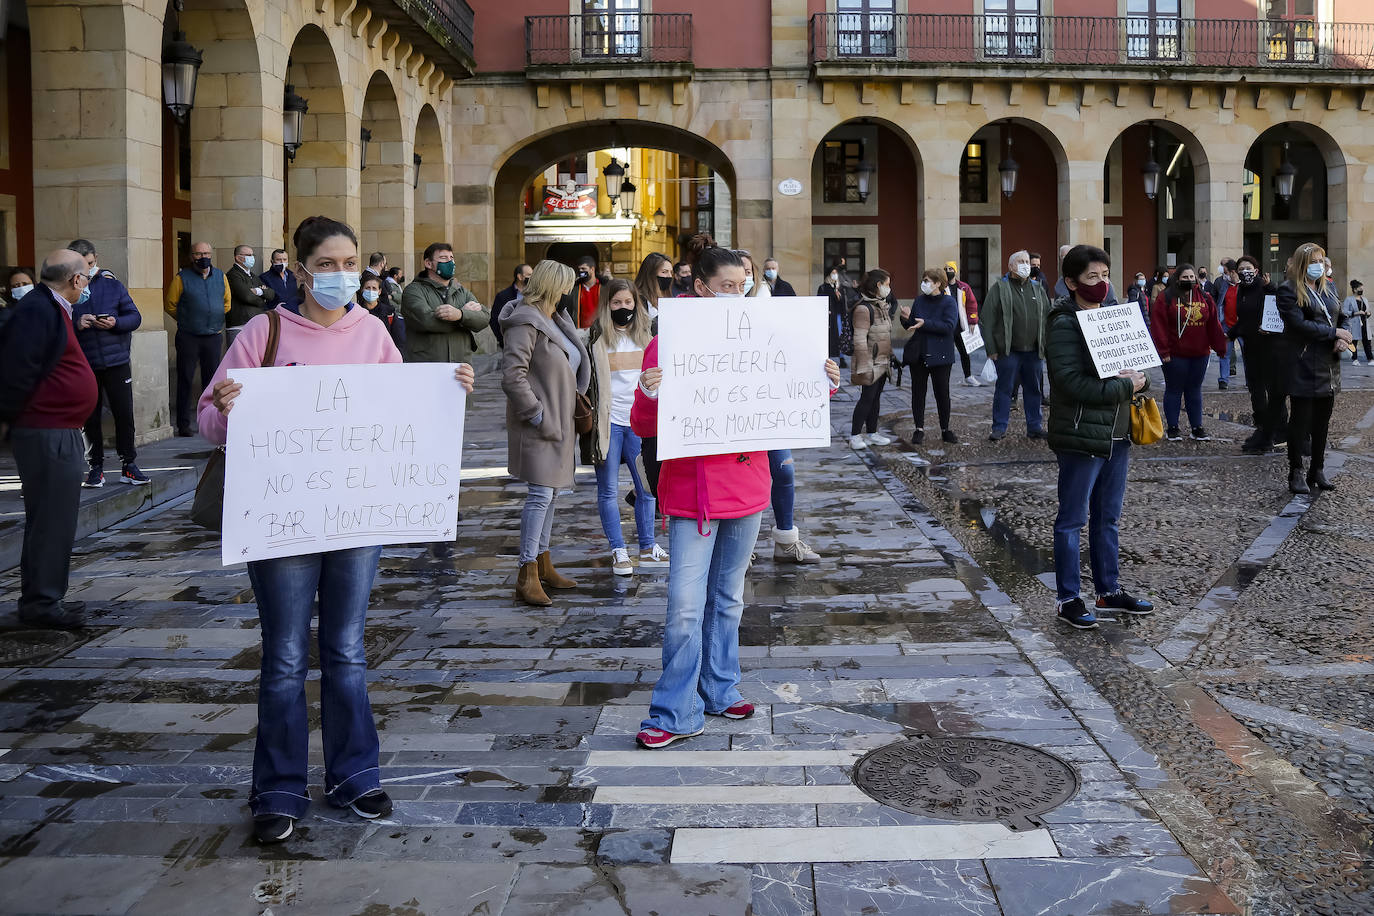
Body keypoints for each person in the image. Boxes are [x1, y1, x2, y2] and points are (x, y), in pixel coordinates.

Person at [201, 215, 475, 845]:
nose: (341, 274)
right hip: (282, 521)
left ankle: (355, 774)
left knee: (348, 651)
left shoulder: (374, 332)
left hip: (356, 518)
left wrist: (449, 389)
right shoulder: (262, 331)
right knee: (286, 657)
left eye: (349, 261)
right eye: (326, 264)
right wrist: (224, 409)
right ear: (300, 270)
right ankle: (278, 789)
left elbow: (406, 414)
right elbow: (212, 426)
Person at [630, 233, 840, 749]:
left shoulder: (762, 332)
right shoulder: (668, 339)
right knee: (683, 605)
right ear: (700, 288)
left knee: (726, 599)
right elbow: (643, 425)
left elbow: (787, 391)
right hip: (692, 496)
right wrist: (649, 391)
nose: (737, 294)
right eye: (727, 286)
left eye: (742, 286)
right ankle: (674, 710)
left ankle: (720, 688)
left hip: (747, 489)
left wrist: (822, 381)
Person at [1045, 245, 1154, 630]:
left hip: (1117, 433)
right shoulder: (1063, 323)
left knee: (1108, 518)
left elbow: (1141, 368)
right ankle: (1068, 598)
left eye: (1106, 275)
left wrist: (1140, 381)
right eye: (1093, 277)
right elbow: (1069, 382)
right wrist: (1125, 387)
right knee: (1072, 519)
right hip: (1080, 434)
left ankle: (1108, 591)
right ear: (1071, 282)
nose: (1102, 283)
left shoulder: (1115, 316)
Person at [0, 250, 98, 630]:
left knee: (52, 518)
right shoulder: (39, 310)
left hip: (55, 428)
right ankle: (42, 603)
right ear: (75, 280)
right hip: (46, 429)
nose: (87, 284)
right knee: (52, 520)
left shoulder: (51, 306)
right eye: (86, 278)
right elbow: (16, 369)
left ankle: (42, 598)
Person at [501, 260, 591, 607]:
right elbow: (513, 376)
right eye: (567, 284)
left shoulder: (555, 317)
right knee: (540, 495)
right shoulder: (526, 321)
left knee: (551, 495)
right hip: (542, 423)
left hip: (560, 419)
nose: (571, 290)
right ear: (555, 285)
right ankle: (526, 572)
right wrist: (538, 415)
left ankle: (543, 563)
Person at [584, 279, 667, 576]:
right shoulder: (594, 338)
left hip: (638, 423)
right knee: (607, 489)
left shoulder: (649, 336)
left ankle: (647, 547)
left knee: (647, 488)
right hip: (608, 423)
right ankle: (618, 550)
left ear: (636, 304)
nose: (623, 308)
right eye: (616, 303)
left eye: (628, 303)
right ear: (607, 305)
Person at [66, 239, 147, 488]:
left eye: (89, 264)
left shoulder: (113, 285)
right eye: (81, 265)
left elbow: (134, 316)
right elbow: (56, 323)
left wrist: (115, 323)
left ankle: (129, 465)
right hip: (85, 362)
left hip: (116, 360)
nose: (86, 269)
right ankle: (95, 468)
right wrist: (77, 322)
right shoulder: (67, 288)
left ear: (96, 258)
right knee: (89, 416)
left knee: (124, 413)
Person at [1278, 243, 1350, 495]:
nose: (1319, 265)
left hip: (1329, 364)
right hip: (1303, 363)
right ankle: (1295, 470)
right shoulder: (1288, 290)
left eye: (1321, 260)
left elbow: (1342, 316)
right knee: (1300, 421)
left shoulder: (1328, 287)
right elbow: (1299, 325)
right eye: (1313, 261)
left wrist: (1343, 336)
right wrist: (1334, 332)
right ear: (1302, 264)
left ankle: (1317, 469)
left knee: (1322, 422)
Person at [1149, 264, 1226, 441]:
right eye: (1185, 277)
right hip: (1174, 354)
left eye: (1192, 277)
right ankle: (1173, 428)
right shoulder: (1166, 297)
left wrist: (1220, 347)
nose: (1190, 280)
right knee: (1174, 389)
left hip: (1200, 354)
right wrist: (1163, 351)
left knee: (1194, 390)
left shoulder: (1205, 297)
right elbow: (1158, 326)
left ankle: (1197, 427)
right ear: (1177, 279)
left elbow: (1213, 324)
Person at [984, 249, 1051, 441]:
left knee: (1034, 390)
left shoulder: (1037, 288)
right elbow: (987, 319)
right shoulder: (1000, 288)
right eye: (1021, 261)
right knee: (1004, 389)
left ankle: (1034, 426)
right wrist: (991, 349)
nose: (1026, 265)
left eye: (1027, 262)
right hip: (1008, 351)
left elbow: (1047, 317)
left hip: (1033, 351)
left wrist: (1046, 345)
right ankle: (999, 427)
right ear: (1011, 266)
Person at [165, 240, 230, 437]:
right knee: (185, 378)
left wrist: (214, 319)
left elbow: (226, 303)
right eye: (199, 254)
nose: (203, 257)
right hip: (189, 336)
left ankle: (210, 422)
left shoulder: (221, 276)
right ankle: (183, 424)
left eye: (206, 253)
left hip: (213, 336)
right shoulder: (181, 277)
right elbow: (170, 305)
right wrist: (188, 320)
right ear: (192, 256)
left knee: (211, 381)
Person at [1224, 256, 1285, 454]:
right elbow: (1244, 320)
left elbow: (1278, 312)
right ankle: (1263, 430)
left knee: (1273, 390)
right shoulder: (1242, 289)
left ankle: (1281, 432)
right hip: (1250, 348)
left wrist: (1270, 288)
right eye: (1241, 269)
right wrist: (1230, 334)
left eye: (1248, 268)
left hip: (1269, 347)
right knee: (1256, 391)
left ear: (1256, 270)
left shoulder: (1265, 287)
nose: (1245, 272)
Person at [401, 243, 490, 365]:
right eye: (443, 258)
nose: (450, 262)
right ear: (428, 263)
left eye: (451, 258)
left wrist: (460, 314)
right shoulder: (413, 291)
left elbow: (484, 318)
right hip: (426, 364)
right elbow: (426, 321)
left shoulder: (461, 291)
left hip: (461, 365)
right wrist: (464, 318)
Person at [901, 268, 960, 446]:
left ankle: (945, 429)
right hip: (919, 353)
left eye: (927, 281)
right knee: (918, 393)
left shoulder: (949, 302)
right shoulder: (919, 300)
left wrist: (926, 323)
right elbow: (914, 325)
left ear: (938, 283)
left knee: (942, 393)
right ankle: (919, 428)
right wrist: (905, 319)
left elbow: (949, 326)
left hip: (941, 354)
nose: (924, 284)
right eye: (923, 280)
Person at [847, 268, 894, 449]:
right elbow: (859, 339)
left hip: (882, 360)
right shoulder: (863, 308)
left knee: (876, 399)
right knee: (867, 398)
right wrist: (863, 365)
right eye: (887, 284)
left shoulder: (880, 304)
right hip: (870, 362)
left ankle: (873, 432)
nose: (889, 288)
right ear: (878, 285)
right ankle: (855, 435)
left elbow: (885, 333)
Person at [945, 260, 982, 387]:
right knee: (947, 353)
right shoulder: (942, 288)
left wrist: (972, 321)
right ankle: (945, 377)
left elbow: (972, 304)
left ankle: (968, 376)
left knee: (965, 352)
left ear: (955, 271)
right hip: (948, 326)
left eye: (950, 269)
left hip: (961, 325)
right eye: (946, 269)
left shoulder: (964, 287)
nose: (948, 271)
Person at [490, 264, 532, 349]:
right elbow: (495, 320)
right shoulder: (503, 296)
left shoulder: (533, 295)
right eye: (529, 275)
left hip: (530, 342)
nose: (532, 278)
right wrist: (503, 340)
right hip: (510, 343)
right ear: (520, 277)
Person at [1213, 259, 1239, 388]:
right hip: (1226, 325)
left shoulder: (1244, 286)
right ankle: (1223, 379)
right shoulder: (1224, 285)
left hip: (1241, 326)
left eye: (1226, 272)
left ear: (1233, 272)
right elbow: (1219, 303)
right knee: (1224, 353)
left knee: (1247, 354)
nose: (1225, 275)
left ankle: (1250, 380)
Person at [819, 260, 847, 364]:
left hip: (838, 315)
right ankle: (828, 357)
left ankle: (841, 357)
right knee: (829, 336)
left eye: (836, 273)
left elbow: (843, 302)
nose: (834, 275)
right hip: (829, 316)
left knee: (840, 335)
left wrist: (840, 296)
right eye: (833, 273)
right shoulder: (823, 287)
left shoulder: (840, 287)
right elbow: (821, 301)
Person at [632, 252, 673, 318]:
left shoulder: (667, 295)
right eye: (664, 272)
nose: (670, 276)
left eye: (671, 272)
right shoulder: (639, 299)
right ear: (651, 274)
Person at [1341, 280, 1370, 365]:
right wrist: (1356, 313)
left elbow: (1368, 310)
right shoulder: (1349, 299)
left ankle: (1370, 359)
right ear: (1354, 289)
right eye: (1359, 288)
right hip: (1354, 323)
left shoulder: (1364, 299)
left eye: (1362, 288)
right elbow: (1344, 312)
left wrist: (1368, 313)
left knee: (1367, 341)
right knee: (1354, 342)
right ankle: (1355, 359)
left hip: (1364, 323)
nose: (1361, 290)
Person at [574, 256, 601, 328]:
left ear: (592, 269)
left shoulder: (603, 287)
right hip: (580, 332)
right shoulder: (575, 289)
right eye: (579, 269)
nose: (581, 271)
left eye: (583, 268)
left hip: (600, 330)